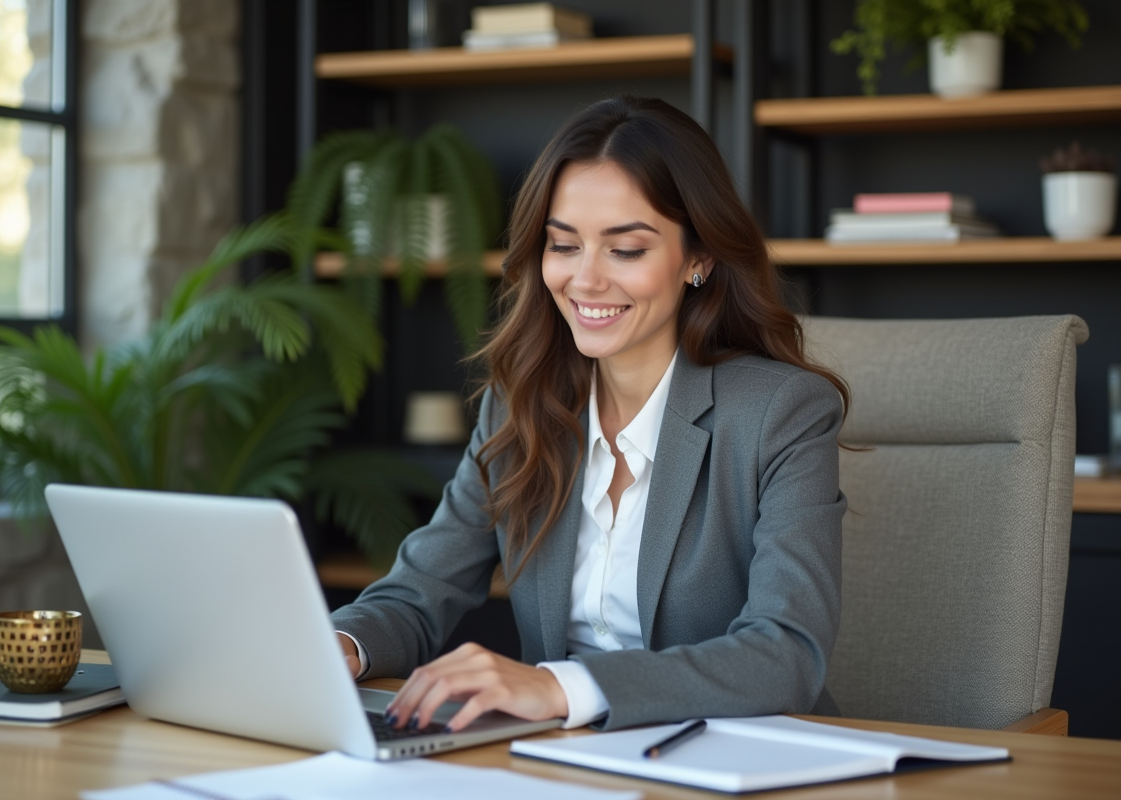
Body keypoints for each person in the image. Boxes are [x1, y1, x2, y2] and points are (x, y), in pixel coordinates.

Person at [331, 95, 849, 734]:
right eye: (563, 245)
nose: (585, 280)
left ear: (699, 258)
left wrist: (560, 687)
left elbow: (787, 653)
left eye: (625, 250)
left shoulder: (781, 414)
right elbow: (416, 595)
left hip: (735, 757)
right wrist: (341, 646)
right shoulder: (519, 407)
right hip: (559, 761)